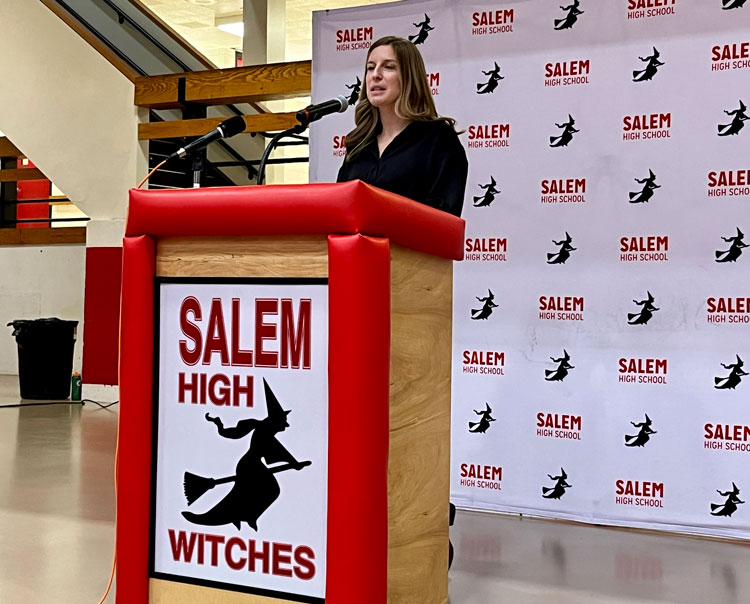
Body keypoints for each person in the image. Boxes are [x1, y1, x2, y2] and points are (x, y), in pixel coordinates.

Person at [337, 36, 468, 217]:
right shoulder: (358, 143)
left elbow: (443, 216)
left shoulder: (439, 139)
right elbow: (340, 208)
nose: (375, 75)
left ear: (409, 77)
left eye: (388, 67)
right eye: (370, 67)